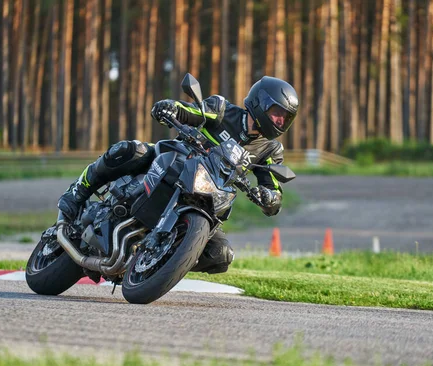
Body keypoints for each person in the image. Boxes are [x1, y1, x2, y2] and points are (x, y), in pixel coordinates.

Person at [57, 76, 299, 275]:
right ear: (260, 103)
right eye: (277, 112)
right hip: (179, 161)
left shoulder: (271, 149)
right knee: (130, 150)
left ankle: (160, 264)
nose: (279, 120)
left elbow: (274, 189)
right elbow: (190, 110)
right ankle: (78, 191)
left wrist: (269, 197)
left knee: (220, 256)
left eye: (285, 118)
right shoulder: (223, 110)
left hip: (211, 194)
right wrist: (171, 107)